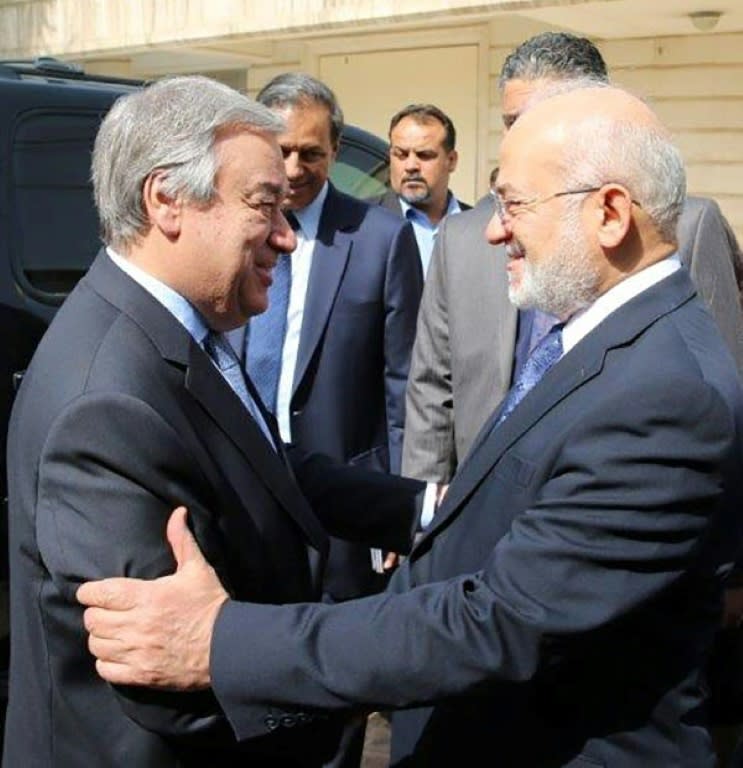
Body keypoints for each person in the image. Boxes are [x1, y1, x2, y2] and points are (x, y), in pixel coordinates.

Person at [78, 84, 743, 767]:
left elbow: (497, 625)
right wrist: (420, 506)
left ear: (608, 213)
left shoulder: (662, 394)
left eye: (512, 204)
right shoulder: (612, 343)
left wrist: (219, 643)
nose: (493, 229)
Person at [3, 74, 424, 768]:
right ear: (167, 200)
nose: (287, 239)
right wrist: (363, 675)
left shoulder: (176, 328)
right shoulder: (106, 404)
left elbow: (264, 466)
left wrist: (424, 509)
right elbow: (168, 683)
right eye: (265, 204)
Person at [402, 30, 743, 486]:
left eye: (541, 119)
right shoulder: (463, 238)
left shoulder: (685, 230)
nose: (523, 139)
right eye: (512, 122)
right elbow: (432, 390)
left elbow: (724, 394)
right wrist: (425, 511)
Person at [238, 72, 422, 768]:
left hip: (345, 503)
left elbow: (403, 379)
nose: (293, 170)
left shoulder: (377, 237)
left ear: (336, 148)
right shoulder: (231, 229)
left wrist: (397, 508)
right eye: (279, 151)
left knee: (338, 691)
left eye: (310, 153)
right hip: (249, 491)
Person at [372, 104, 470, 274]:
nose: (411, 166)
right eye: (401, 154)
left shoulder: (480, 228)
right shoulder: (363, 222)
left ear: (452, 160)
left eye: (424, 155)